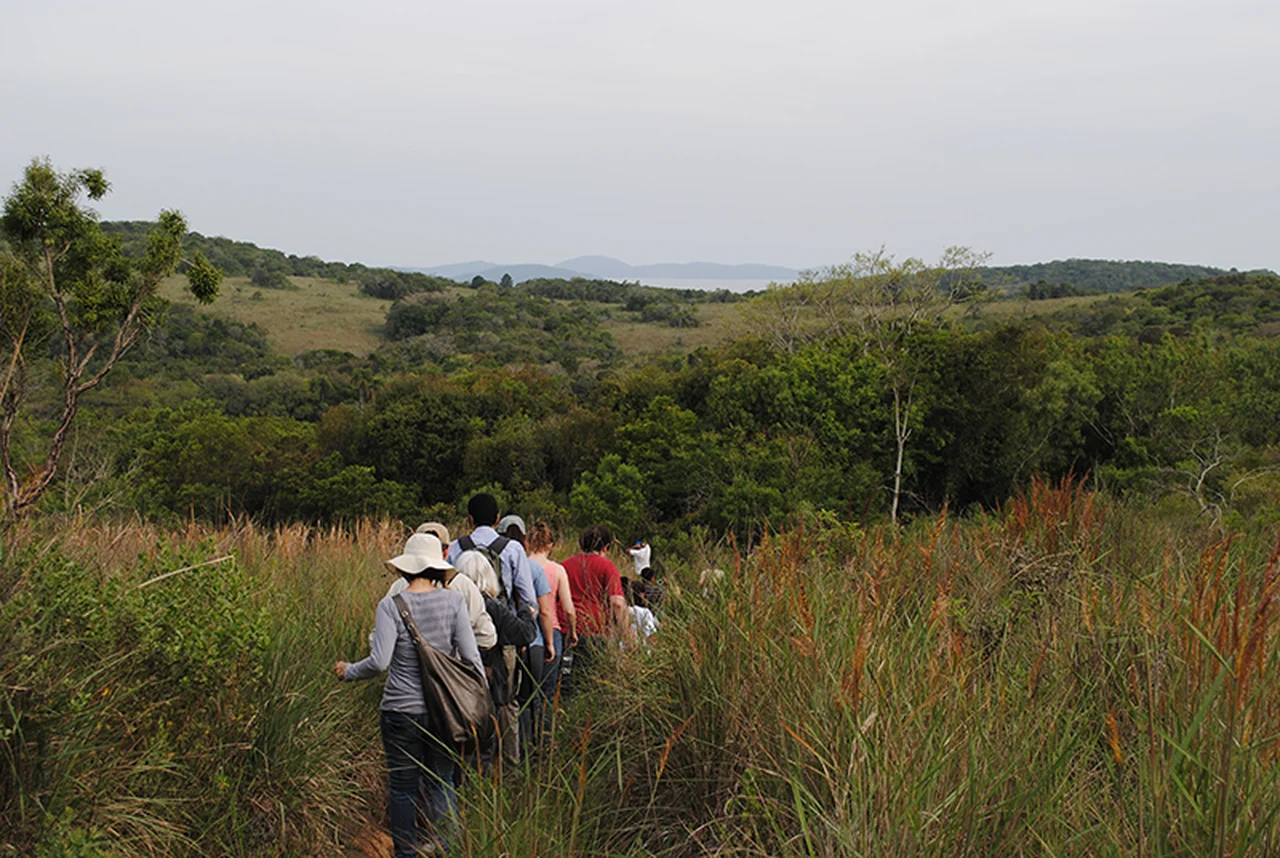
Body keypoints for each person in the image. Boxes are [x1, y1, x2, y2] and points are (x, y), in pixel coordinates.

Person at [335, 533, 483, 858]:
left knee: (402, 788)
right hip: (444, 711)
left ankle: (405, 853)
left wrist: (349, 670)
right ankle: (447, 849)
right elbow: (472, 660)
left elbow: (379, 662)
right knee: (441, 781)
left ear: (405, 569)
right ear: (436, 568)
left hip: (400, 711)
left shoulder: (390, 606)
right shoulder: (455, 602)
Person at [561, 524, 632, 695]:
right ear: (606, 547)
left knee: (565, 684)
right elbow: (617, 603)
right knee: (590, 685)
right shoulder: (607, 567)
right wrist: (629, 636)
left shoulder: (564, 565)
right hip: (594, 631)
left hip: (565, 629)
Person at [525, 520, 577, 728]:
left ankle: (525, 736)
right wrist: (572, 632)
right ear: (551, 545)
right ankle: (544, 738)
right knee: (547, 691)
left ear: (528, 542)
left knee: (525, 691)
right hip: (551, 632)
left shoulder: (521, 565)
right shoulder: (557, 570)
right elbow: (569, 609)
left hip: (525, 631)